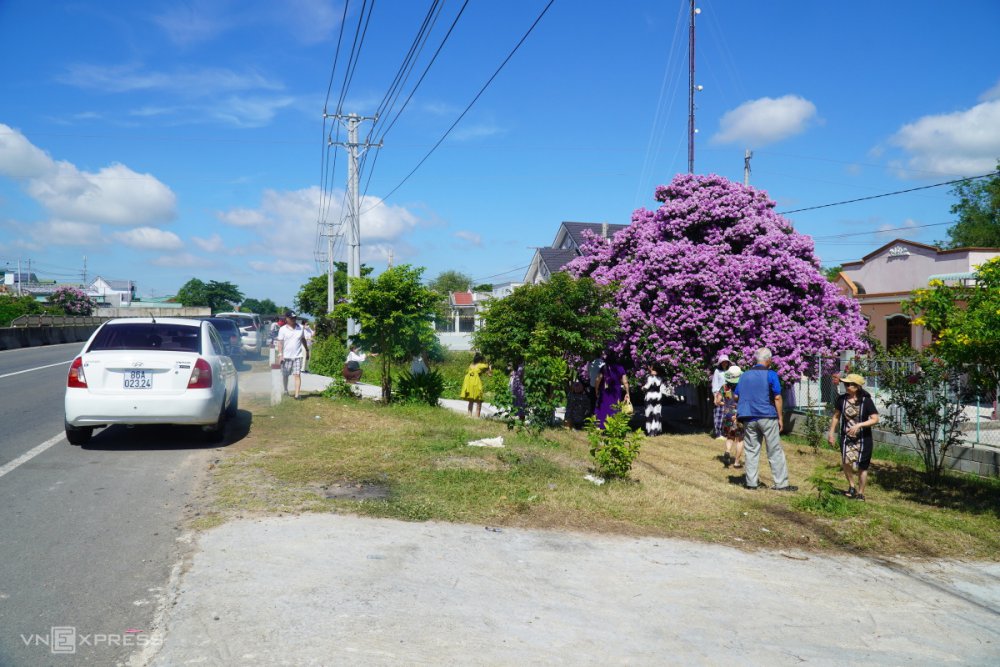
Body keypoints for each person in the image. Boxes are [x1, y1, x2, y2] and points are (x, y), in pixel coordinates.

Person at [734, 347, 796, 491]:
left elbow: (736, 396)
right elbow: (777, 397)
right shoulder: (771, 374)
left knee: (751, 450)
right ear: (768, 360)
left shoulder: (744, 376)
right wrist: (780, 418)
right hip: (767, 415)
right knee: (774, 450)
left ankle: (751, 483)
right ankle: (781, 484)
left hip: (748, 417)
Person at [827, 373, 880, 501]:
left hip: (863, 439)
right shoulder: (841, 399)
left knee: (862, 466)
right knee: (846, 461)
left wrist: (860, 425)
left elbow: (875, 419)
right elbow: (836, 416)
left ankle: (861, 493)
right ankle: (851, 486)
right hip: (846, 438)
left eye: (848, 384)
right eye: (845, 384)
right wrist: (831, 433)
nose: (846, 386)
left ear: (856, 387)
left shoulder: (866, 401)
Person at [276, 311, 308, 400]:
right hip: (286, 356)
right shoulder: (282, 329)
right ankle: (285, 390)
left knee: (297, 375)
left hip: (297, 356)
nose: (293, 319)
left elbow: (303, 339)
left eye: (294, 318)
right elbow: (280, 343)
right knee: (285, 375)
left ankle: (297, 395)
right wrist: (280, 354)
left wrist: (307, 349)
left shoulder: (300, 328)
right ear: (287, 319)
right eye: (291, 318)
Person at [594, 352, 630, 429]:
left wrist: (596, 390)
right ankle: (613, 426)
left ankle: (602, 426)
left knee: (604, 407)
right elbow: (625, 382)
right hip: (616, 391)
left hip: (605, 391)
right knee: (615, 408)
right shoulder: (620, 368)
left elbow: (598, 380)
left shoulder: (604, 367)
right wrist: (627, 393)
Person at [719, 365, 744, 467]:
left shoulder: (725, 387)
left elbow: (717, 401)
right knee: (740, 439)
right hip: (739, 415)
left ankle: (728, 451)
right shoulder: (742, 387)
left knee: (730, 436)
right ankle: (736, 462)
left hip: (728, 414)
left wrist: (725, 405)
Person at [460, 353, 490, 417]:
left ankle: (469, 415)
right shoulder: (480, 365)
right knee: (479, 400)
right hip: (476, 382)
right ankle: (477, 416)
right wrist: (488, 363)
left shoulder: (471, 365)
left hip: (469, 382)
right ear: (480, 360)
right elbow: (486, 366)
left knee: (471, 400)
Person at [711, 355, 733, 439]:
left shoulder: (729, 371)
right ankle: (718, 433)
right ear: (720, 363)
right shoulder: (717, 371)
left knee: (728, 412)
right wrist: (715, 396)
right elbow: (715, 384)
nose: (725, 363)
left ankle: (725, 432)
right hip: (719, 393)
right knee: (719, 414)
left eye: (726, 361)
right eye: (723, 362)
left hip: (728, 393)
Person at [642, 365, 666, 436]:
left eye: (652, 369)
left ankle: (650, 431)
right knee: (657, 414)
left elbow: (647, 386)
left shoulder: (649, 377)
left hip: (650, 397)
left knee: (648, 414)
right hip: (658, 397)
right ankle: (654, 430)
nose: (650, 370)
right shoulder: (660, 378)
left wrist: (642, 388)